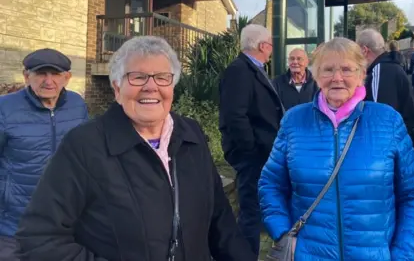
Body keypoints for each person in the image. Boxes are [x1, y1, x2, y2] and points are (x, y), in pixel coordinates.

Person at [15, 36, 256, 261]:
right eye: (137, 77)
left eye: (162, 77)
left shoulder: (190, 135)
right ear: (117, 89)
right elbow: (39, 238)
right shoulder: (84, 146)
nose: (151, 87)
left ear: (172, 87)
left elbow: (219, 218)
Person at [258, 37, 414, 260]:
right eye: (328, 69)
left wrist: (405, 253)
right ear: (317, 75)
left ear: (361, 74)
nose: (337, 78)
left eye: (347, 69)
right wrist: (282, 232)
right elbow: (270, 183)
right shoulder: (294, 121)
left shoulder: (387, 120)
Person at [0, 48, 88, 260]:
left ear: (67, 78)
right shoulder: (5, 109)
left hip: (63, 222)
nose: (48, 81)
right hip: (13, 224)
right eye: (41, 73)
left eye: (55, 74)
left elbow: (85, 152)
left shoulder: (77, 105)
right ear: (26, 76)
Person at [219, 24, 284, 256]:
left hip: (261, 153)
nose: (271, 50)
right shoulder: (239, 70)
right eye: (270, 45)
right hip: (253, 156)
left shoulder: (251, 68)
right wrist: (250, 150)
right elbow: (235, 115)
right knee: (250, 212)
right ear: (263, 46)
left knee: (255, 209)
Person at [357, 29, 414, 154]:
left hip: (389, 148)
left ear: (364, 50)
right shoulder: (392, 66)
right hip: (401, 141)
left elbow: (378, 117)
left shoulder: (380, 71)